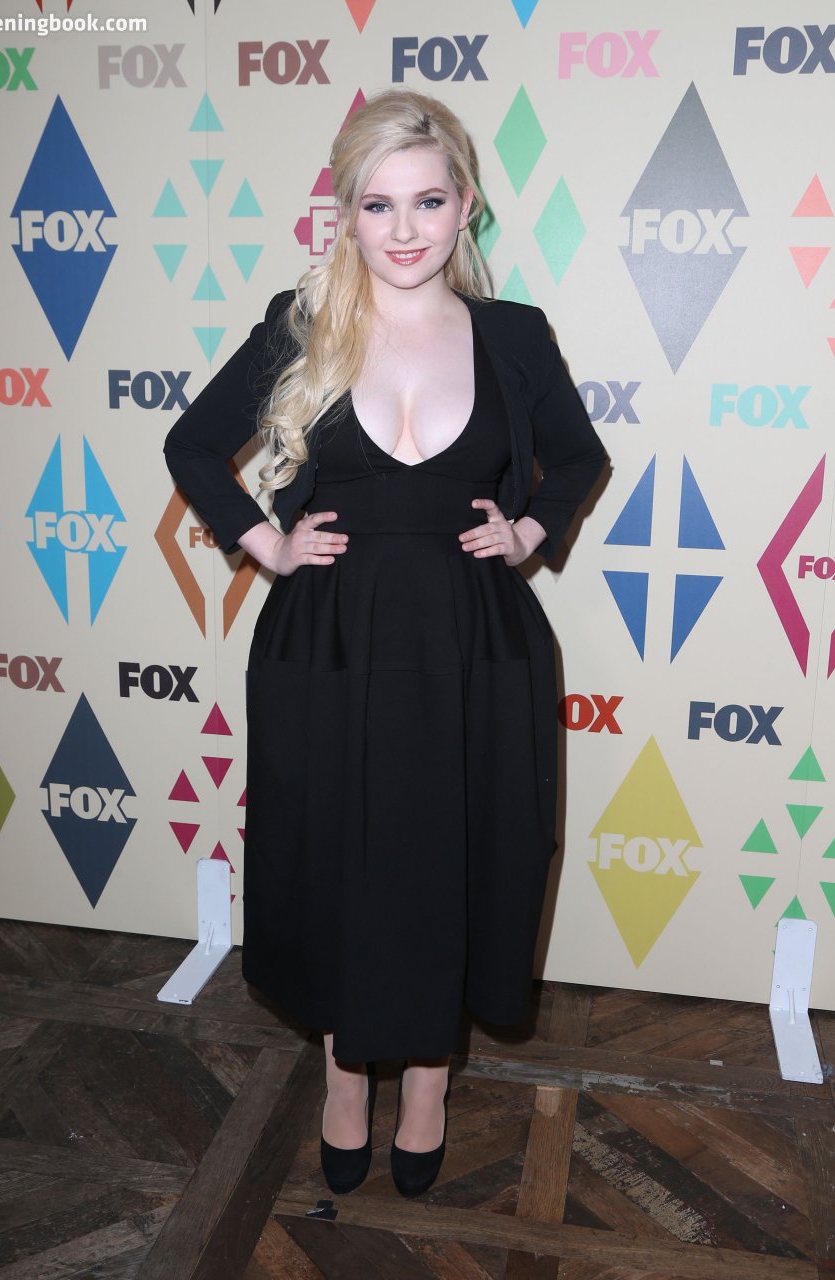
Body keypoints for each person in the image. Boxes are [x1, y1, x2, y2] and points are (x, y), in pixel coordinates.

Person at [163, 88, 606, 1199]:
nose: (404, 229)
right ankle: (343, 1075)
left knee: (453, 853)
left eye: (428, 201)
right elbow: (192, 445)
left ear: (466, 206)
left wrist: (530, 530)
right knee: (334, 856)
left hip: (474, 643)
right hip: (330, 641)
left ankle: (427, 1087)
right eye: (377, 204)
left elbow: (578, 458)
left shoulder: (513, 335)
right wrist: (264, 543)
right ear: (346, 213)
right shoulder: (301, 323)